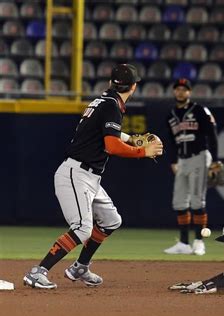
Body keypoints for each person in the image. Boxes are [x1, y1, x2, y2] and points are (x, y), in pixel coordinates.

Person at [23, 64, 163, 289]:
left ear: (110, 83)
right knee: (82, 228)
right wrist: (142, 151)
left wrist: (131, 139)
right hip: (76, 173)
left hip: (89, 176)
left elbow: (107, 133)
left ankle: (80, 267)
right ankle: (38, 272)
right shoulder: (111, 106)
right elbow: (111, 146)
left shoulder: (105, 101)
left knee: (111, 221)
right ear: (134, 87)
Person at [163, 78, 219, 256]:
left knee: (197, 201)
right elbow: (172, 142)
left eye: (184, 89)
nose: (180, 92)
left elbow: (212, 134)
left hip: (199, 156)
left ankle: (199, 242)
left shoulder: (200, 110)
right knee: (179, 202)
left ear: (189, 92)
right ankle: (184, 243)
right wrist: (173, 161)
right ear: (174, 92)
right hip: (182, 160)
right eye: (177, 89)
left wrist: (216, 160)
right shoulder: (171, 115)